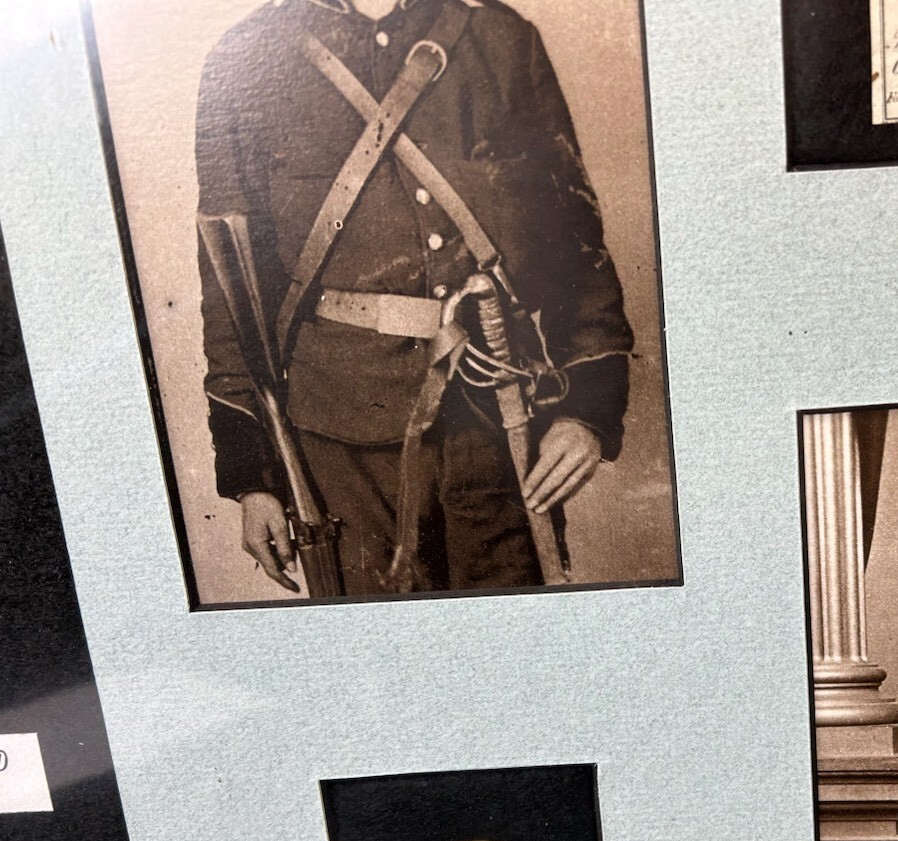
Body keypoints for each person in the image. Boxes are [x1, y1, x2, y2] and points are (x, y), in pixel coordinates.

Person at [196, 0, 633, 597]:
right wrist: (253, 476)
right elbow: (229, 279)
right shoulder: (247, 57)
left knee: (515, 639)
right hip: (338, 442)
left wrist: (587, 408)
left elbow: (575, 240)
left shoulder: (499, 39)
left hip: (496, 420)